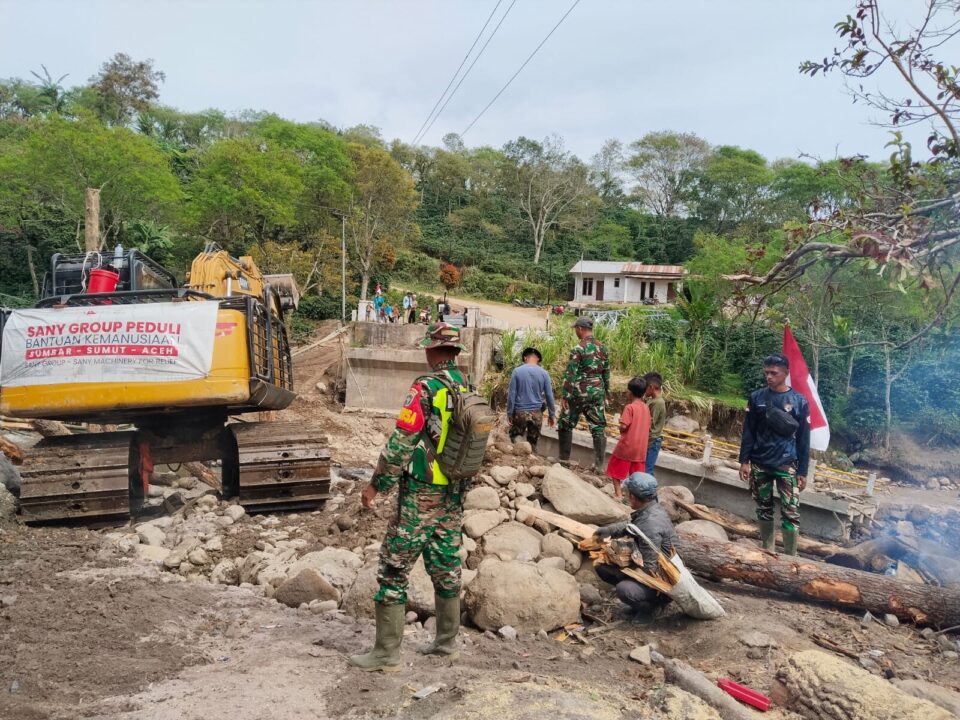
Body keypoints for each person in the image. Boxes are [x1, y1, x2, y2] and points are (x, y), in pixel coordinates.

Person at [349, 323, 470, 672]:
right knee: (446, 563)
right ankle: (446, 644)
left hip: (421, 493)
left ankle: (386, 654)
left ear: (431, 351)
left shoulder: (426, 388)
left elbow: (401, 441)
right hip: (454, 491)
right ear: (456, 352)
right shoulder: (467, 387)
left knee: (393, 567)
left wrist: (376, 485)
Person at [738, 353, 810, 556]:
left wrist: (803, 470)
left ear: (786, 373)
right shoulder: (756, 397)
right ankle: (767, 549)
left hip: (787, 463)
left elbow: (804, 438)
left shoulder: (799, 401)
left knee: (791, 512)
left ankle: (790, 556)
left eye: (774, 373)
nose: (769, 376)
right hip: (760, 462)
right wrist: (744, 460)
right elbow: (749, 431)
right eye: (766, 372)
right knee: (763, 507)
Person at [593, 473, 677, 617]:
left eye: (627, 494)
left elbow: (650, 570)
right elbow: (631, 526)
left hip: (663, 584)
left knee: (624, 589)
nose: (626, 496)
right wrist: (609, 530)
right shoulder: (651, 509)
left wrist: (621, 568)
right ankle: (641, 602)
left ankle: (651, 610)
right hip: (654, 571)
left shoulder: (650, 524)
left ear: (633, 496)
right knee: (602, 567)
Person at [557, 316, 610, 471]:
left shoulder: (578, 349)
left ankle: (564, 460)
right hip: (597, 391)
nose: (576, 332)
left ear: (580, 329)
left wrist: (566, 396)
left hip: (579, 392)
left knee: (565, 422)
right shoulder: (603, 348)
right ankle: (599, 466)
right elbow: (606, 373)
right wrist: (605, 392)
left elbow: (571, 374)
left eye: (576, 329)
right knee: (598, 427)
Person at [606, 377, 650, 501]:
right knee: (637, 475)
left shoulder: (630, 407)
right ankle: (635, 498)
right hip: (641, 448)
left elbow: (624, 426)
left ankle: (618, 494)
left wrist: (621, 427)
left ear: (630, 392)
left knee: (614, 468)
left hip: (627, 446)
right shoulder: (646, 408)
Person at [506, 347, 556, 453]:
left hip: (520, 413)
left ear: (525, 358)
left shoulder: (517, 371)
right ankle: (532, 458)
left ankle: (521, 454)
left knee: (516, 435)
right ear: (537, 359)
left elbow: (512, 394)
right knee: (533, 441)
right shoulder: (544, 373)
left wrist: (509, 413)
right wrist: (552, 415)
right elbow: (549, 395)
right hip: (536, 413)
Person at [643, 372, 666, 476]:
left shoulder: (658, 403)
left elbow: (650, 422)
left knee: (647, 470)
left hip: (652, 441)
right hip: (650, 440)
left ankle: (648, 491)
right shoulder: (653, 401)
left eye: (645, 387)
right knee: (644, 467)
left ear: (651, 387)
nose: (644, 391)